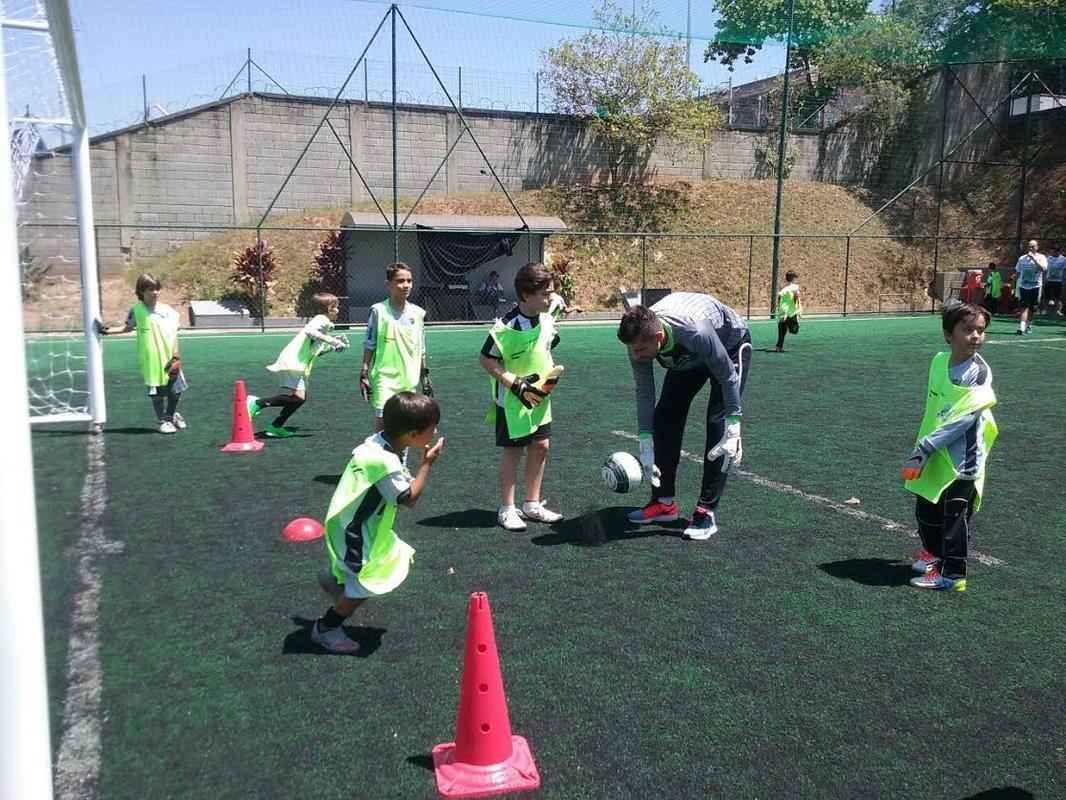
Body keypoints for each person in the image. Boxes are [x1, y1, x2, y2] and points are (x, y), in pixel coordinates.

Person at [311, 392, 445, 653]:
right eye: (431, 429)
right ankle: (326, 628)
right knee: (366, 583)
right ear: (413, 435)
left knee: (388, 559)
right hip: (356, 532)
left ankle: (335, 580)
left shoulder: (378, 442)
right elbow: (408, 500)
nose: (435, 431)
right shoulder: (385, 463)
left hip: (357, 525)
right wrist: (427, 464)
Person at [617, 292, 752, 540]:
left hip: (727, 345)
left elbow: (727, 375)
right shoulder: (638, 339)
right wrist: (646, 440)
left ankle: (706, 512)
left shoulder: (694, 331)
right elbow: (645, 391)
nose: (636, 356)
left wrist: (734, 425)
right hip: (689, 355)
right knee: (666, 417)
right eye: (632, 350)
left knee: (717, 423)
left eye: (640, 350)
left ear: (658, 337)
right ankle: (663, 502)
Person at [901, 303, 998, 592]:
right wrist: (922, 449)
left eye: (981, 330)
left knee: (954, 518)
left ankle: (953, 575)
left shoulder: (979, 373)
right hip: (932, 453)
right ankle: (933, 556)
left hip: (962, 460)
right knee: (926, 508)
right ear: (948, 335)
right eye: (968, 330)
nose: (976, 336)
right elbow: (936, 409)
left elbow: (964, 420)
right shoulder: (938, 362)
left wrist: (925, 448)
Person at [479, 262, 564, 532]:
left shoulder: (547, 318)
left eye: (551, 292)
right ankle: (506, 508)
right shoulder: (505, 327)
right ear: (527, 295)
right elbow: (486, 359)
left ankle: (532, 504)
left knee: (541, 446)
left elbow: (547, 346)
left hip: (540, 399)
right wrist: (514, 384)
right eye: (544, 293)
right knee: (513, 451)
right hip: (512, 401)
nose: (549, 298)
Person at [97, 273, 188, 434]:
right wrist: (107, 331)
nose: (155, 293)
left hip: (170, 357)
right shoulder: (136, 310)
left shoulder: (168, 311)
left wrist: (176, 354)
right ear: (141, 291)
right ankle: (163, 421)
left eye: (157, 289)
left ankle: (170, 415)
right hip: (151, 359)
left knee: (175, 390)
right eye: (150, 289)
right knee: (156, 392)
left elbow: (174, 333)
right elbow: (127, 328)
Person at [247, 292, 348, 438]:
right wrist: (331, 341)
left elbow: (315, 351)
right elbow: (309, 331)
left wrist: (334, 346)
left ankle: (275, 426)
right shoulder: (322, 319)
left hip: (298, 363)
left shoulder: (324, 324)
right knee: (299, 398)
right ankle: (257, 403)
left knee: (299, 398)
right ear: (328, 309)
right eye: (335, 307)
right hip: (293, 361)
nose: (338, 310)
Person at [360, 262, 432, 434]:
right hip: (385, 377)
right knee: (383, 424)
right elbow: (370, 343)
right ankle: (377, 459)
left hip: (409, 378)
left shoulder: (418, 313)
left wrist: (424, 375)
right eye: (400, 281)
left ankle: (400, 461)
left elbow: (421, 346)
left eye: (409, 280)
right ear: (388, 284)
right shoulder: (378, 311)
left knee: (404, 425)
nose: (406, 285)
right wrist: (364, 373)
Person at [1012, 239, 1046, 335]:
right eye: (1029, 246)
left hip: (1036, 286)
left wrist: (1034, 259)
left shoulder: (1041, 257)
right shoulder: (1022, 258)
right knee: (1024, 307)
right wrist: (1014, 284)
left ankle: (1029, 325)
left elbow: (1043, 269)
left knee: (1032, 308)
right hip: (1024, 286)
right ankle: (1021, 328)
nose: (1031, 248)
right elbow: (1017, 271)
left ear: (1037, 247)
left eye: (1033, 246)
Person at [774, 271, 802, 352]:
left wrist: (779, 307)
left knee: (782, 330)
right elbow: (796, 297)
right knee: (794, 330)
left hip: (784, 311)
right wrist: (798, 307)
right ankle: (779, 346)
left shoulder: (784, 289)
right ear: (793, 278)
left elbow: (779, 296)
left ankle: (779, 347)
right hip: (791, 312)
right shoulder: (795, 287)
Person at [1044, 245, 1065, 316]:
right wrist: (1044, 279)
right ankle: (1045, 310)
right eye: (1052, 251)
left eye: (1055, 251)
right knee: (1046, 297)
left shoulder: (1063, 259)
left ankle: (1058, 311)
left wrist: (1064, 280)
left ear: (1059, 252)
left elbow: (1065, 270)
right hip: (1048, 280)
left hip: (1058, 281)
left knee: (1058, 297)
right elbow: (1045, 269)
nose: (1053, 253)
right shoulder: (1048, 258)